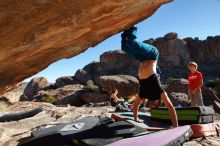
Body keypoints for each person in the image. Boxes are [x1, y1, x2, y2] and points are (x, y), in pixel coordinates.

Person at [121, 26, 178, 127]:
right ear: (158, 101)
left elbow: (135, 105)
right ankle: (133, 27)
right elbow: (170, 107)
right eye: (156, 104)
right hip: (152, 54)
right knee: (132, 43)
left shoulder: (144, 93)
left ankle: (124, 32)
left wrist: (136, 118)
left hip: (142, 58)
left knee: (124, 47)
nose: (153, 104)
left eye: (153, 105)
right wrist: (176, 127)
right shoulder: (159, 91)